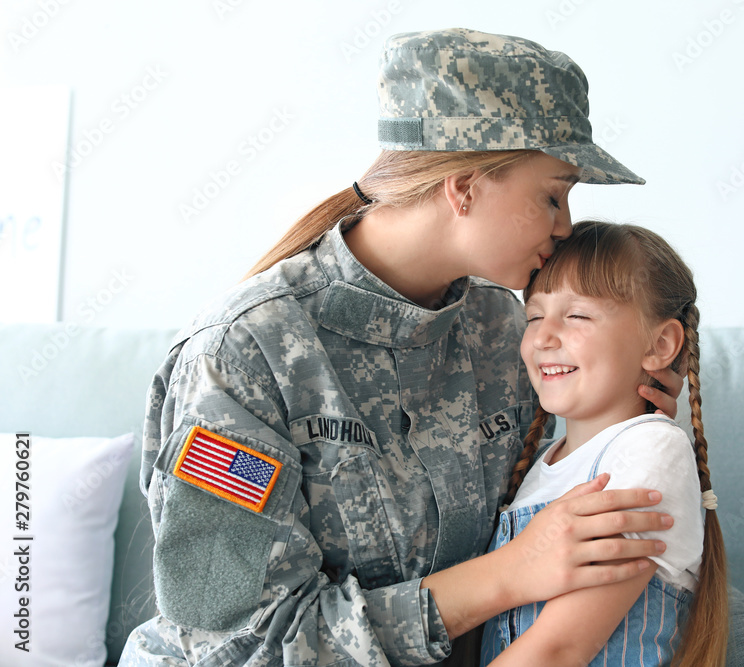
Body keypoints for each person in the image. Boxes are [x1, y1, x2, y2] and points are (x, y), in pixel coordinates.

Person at [120, 28, 681, 667]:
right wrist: (505, 574)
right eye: (553, 194)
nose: (566, 227)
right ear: (464, 185)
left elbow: (615, 564)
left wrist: (621, 413)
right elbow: (240, 648)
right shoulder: (243, 357)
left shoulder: (513, 336)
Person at [480, 220, 727, 667]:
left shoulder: (652, 451)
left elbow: (560, 649)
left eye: (576, 315)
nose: (543, 336)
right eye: (534, 316)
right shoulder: (542, 463)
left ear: (660, 344)